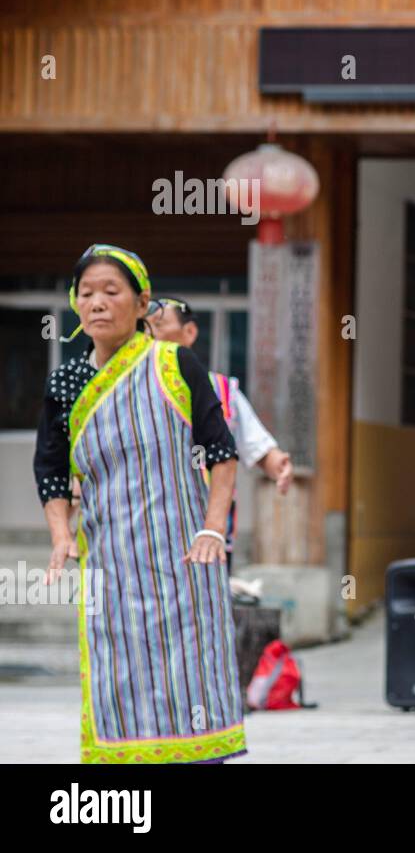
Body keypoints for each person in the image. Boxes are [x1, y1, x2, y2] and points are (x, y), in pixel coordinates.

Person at [34, 244, 247, 763]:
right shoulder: (66, 382)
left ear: (142, 302)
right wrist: (62, 536)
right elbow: (51, 469)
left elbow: (221, 451)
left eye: (112, 291)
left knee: (192, 673)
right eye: (86, 294)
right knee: (119, 674)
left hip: (183, 559)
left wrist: (213, 528)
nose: (98, 304)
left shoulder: (174, 364)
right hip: (111, 562)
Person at [146, 296, 293, 567]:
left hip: (208, 527)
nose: (149, 332)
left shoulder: (222, 389)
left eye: (158, 323)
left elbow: (254, 443)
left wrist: (275, 463)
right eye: (143, 325)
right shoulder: (132, 385)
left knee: (204, 602)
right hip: (145, 524)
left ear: (189, 333)